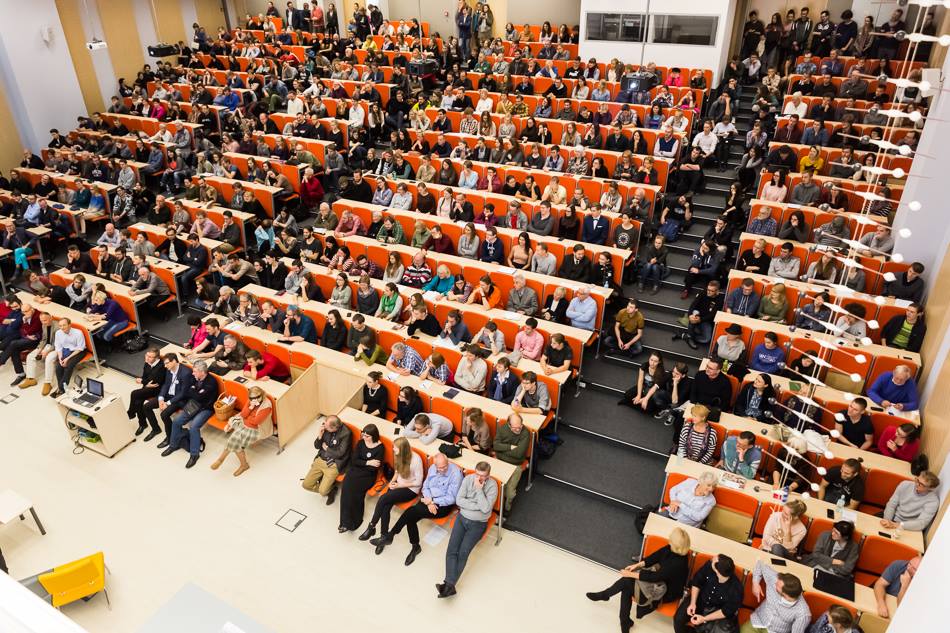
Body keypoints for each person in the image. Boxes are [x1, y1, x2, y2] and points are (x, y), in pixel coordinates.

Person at [586, 527, 691, 631]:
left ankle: (608, 599)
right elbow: (655, 557)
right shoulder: (671, 548)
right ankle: (624, 620)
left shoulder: (678, 564)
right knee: (626, 585)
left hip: (666, 591)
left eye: (671, 540)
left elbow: (655, 577)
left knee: (626, 583)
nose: (669, 540)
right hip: (659, 581)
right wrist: (636, 566)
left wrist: (630, 574)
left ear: (676, 546)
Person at [371, 453, 463, 566]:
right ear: (435, 465)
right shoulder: (433, 468)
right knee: (411, 518)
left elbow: (451, 498)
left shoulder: (456, 474)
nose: (443, 469)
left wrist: (432, 501)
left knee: (411, 512)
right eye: (440, 467)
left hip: (442, 506)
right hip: (427, 499)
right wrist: (428, 500)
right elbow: (425, 487)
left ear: (447, 462)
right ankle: (415, 547)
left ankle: (391, 536)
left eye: (445, 466)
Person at [438, 461, 498, 598]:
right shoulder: (468, 479)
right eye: (477, 474)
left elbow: (486, 509)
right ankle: (449, 586)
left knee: (463, 553)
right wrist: (477, 506)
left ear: (488, 476)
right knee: (452, 549)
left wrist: (478, 490)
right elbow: (459, 501)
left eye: (482, 476)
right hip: (461, 518)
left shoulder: (492, 486)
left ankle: (448, 585)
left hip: (478, 524)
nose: (479, 478)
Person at [358, 436, 423, 543]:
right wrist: (392, 482)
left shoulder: (416, 460)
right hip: (398, 484)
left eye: (395, 448)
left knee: (383, 499)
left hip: (410, 489)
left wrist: (399, 486)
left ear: (402, 449)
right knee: (385, 507)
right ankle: (383, 537)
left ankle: (371, 527)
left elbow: (418, 483)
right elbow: (397, 472)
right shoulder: (398, 455)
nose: (393, 449)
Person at [162, 360, 218, 469]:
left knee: (194, 426)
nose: (193, 373)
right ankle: (173, 445)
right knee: (176, 421)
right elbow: (189, 392)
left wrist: (193, 391)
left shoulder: (211, 382)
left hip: (206, 408)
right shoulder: (195, 377)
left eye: (195, 371)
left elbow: (198, 396)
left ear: (202, 372)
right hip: (194, 404)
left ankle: (194, 454)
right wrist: (194, 391)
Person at [210, 386, 271, 476]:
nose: (254, 400)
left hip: (256, 429)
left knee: (235, 441)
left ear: (261, 395)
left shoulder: (266, 405)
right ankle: (242, 464)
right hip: (245, 424)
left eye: (257, 397)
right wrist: (251, 407)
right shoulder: (251, 400)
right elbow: (243, 414)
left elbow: (256, 422)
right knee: (234, 440)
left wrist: (247, 418)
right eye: (251, 398)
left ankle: (223, 460)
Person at [672, 554, 742, 633]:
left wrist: (704, 619)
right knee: (678, 620)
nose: (711, 560)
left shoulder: (736, 589)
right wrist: (693, 603)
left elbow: (726, 611)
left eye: (712, 561)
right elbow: (697, 581)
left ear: (717, 571)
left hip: (716, 611)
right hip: (699, 600)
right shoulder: (709, 566)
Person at [338, 423, 384, 533]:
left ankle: (355, 521)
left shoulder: (380, 448)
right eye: (363, 434)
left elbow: (373, 468)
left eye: (367, 436)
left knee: (356, 495)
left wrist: (362, 463)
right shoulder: (361, 443)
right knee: (346, 493)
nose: (364, 437)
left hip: (367, 476)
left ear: (373, 436)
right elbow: (354, 460)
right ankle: (344, 522)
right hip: (354, 471)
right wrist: (368, 462)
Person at [745, 561, 811, 633]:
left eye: (777, 586)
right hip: (758, 621)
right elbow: (760, 564)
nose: (775, 583)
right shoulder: (777, 580)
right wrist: (755, 583)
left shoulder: (803, 613)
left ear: (785, 594)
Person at [301, 414, 352, 503]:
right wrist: (320, 436)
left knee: (323, 492)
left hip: (334, 463)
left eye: (327, 427)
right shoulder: (325, 428)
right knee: (306, 485)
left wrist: (327, 449)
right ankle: (326, 486)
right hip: (321, 459)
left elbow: (340, 453)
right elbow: (317, 446)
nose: (324, 427)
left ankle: (331, 489)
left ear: (334, 428)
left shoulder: (346, 433)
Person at [126, 347, 167, 439]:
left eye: (150, 357)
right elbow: (145, 378)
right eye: (147, 355)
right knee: (138, 402)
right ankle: (143, 424)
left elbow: (155, 382)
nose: (147, 358)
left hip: (157, 390)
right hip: (147, 388)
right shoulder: (147, 363)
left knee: (134, 393)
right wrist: (145, 382)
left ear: (156, 358)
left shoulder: (161, 367)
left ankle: (131, 413)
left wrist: (142, 381)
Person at [675, 281, 723, 350]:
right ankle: (690, 336)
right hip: (696, 315)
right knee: (693, 316)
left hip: (706, 320)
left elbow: (713, 314)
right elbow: (693, 305)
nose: (708, 292)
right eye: (708, 289)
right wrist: (690, 315)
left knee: (706, 339)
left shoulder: (720, 299)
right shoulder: (703, 293)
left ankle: (685, 336)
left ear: (717, 291)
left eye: (711, 291)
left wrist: (701, 319)